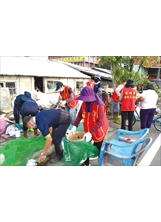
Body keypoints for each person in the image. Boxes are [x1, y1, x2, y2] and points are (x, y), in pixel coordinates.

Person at [69, 86, 109, 166]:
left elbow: (100, 121)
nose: (85, 101)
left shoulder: (99, 105)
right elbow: (80, 115)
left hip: (99, 130)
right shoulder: (84, 104)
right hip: (88, 128)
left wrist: (90, 133)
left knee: (95, 149)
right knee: (86, 147)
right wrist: (74, 126)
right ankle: (86, 163)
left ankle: (100, 162)